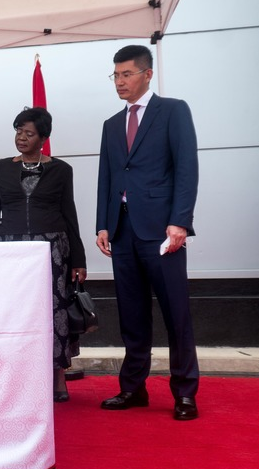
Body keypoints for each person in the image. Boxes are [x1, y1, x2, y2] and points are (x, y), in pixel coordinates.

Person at [96, 45, 200, 420]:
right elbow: (107, 176)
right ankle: (133, 388)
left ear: (147, 74)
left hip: (162, 232)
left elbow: (186, 168)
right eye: (116, 75)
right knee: (132, 315)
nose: (120, 82)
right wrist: (103, 224)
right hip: (122, 232)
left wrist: (180, 222)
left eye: (127, 74)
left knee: (176, 314)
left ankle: (185, 393)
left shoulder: (173, 111)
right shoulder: (111, 125)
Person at [0, 107, 87, 403]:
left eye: (29, 133)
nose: (21, 138)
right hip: (10, 249)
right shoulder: (0, 168)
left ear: (43, 138)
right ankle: (17, 376)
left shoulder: (61, 170)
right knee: (14, 313)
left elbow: (70, 214)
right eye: (18, 131)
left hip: (52, 248)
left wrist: (78, 259)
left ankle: (58, 376)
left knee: (55, 311)